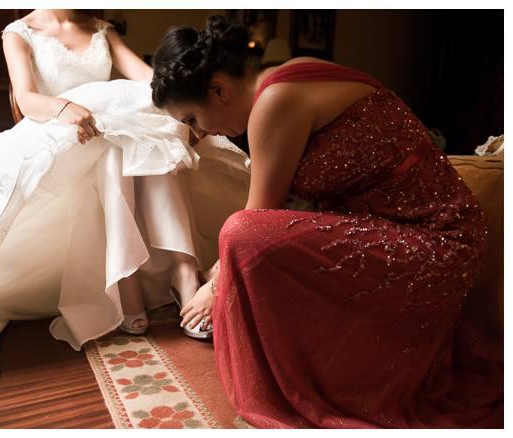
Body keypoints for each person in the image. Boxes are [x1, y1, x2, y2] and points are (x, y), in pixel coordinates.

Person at [0, 10, 249, 420]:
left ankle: (181, 273)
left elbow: (148, 82)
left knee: (144, 126)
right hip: (61, 125)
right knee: (116, 141)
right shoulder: (18, 33)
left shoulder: (102, 30)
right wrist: (64, 108)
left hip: (110, 129)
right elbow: (27, 98)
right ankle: (130, 283)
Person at [150, 15, 501, 427]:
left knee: (239, 233)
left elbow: (256, 217)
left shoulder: (274, 101)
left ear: (218, 89)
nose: (201, 133)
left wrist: (216, 286)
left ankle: (302, 377)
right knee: (247, 243)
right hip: (434, 234)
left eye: (192, 119)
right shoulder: (289, 75)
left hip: (435, 244)